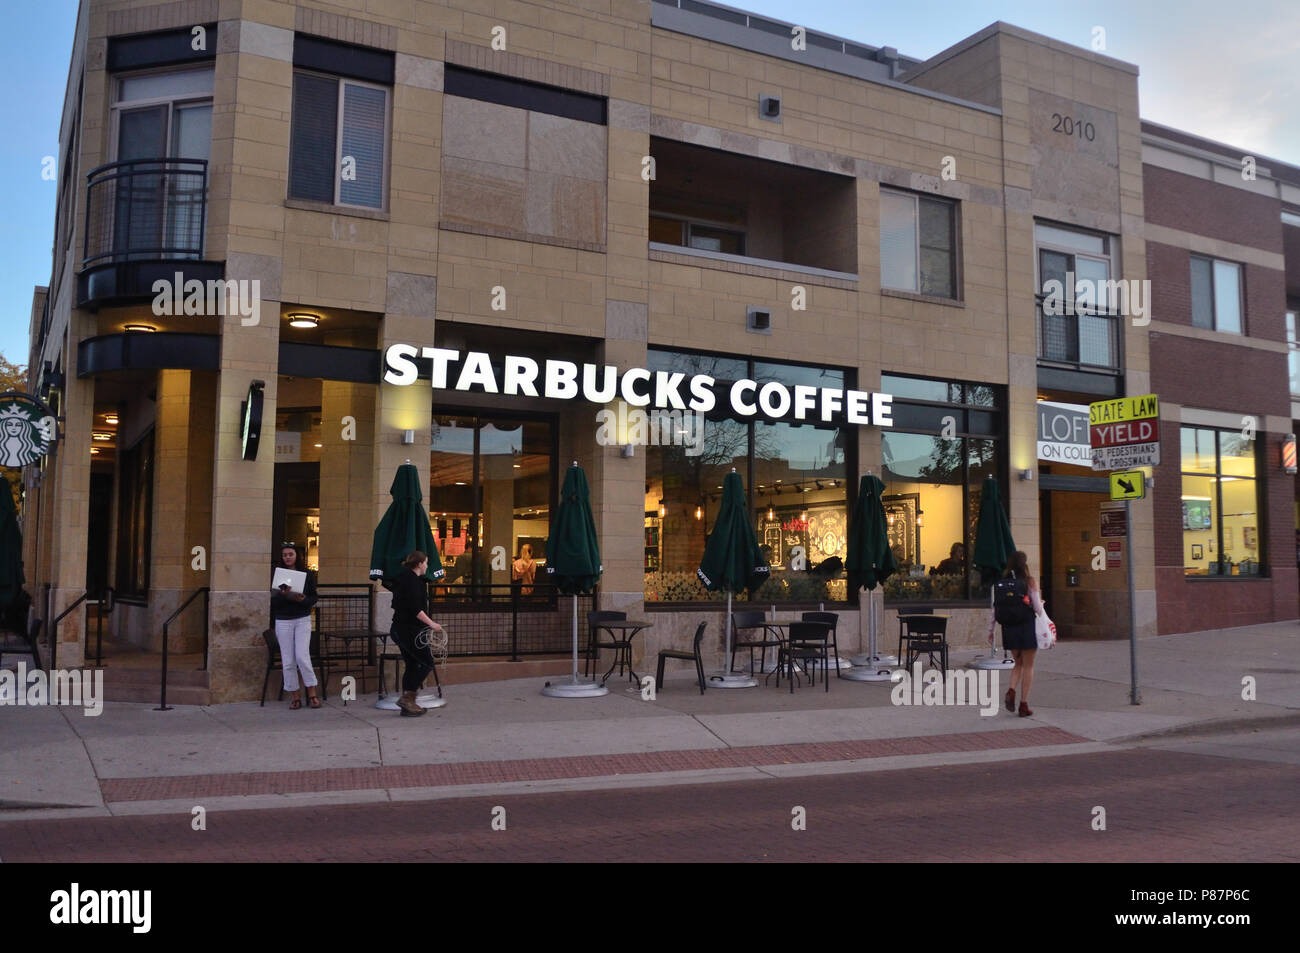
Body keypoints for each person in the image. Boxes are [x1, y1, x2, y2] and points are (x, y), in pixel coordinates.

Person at [388, 550, 445, 717]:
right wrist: (432, 624)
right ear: (419, 564)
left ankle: (408, 702)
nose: (427, 566)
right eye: (426, 562)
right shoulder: (411, 581)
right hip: (408, 629)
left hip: (403, 628)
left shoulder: (406, 579)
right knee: (426, 663)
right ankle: (408, 698)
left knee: (413, 664)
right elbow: (415, 609)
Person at [988, 550, 1043, 717]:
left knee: (1017, 663)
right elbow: (1038, 609)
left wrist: (990, 631)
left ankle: (1011, 690)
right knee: (1028, 665)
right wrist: (1040, 603)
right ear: (1024, 565)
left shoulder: (1001, 584)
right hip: (1026, 626)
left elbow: (994, 610)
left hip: (1009, 628)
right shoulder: (1029, 582)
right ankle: (1023, 704)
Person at [271, 542, 320, 709]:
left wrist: (304, 599)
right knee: (288, 660)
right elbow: (274, 600)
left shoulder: (307, 574)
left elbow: (314, 597)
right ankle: (295, 696)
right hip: (283, 619)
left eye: (290, 554)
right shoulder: (277, 575)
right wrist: (283, 595)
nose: (288, 557)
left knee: (302, 656)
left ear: (296, 556)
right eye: (285, 555)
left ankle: (312, 693)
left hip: (302, 618)